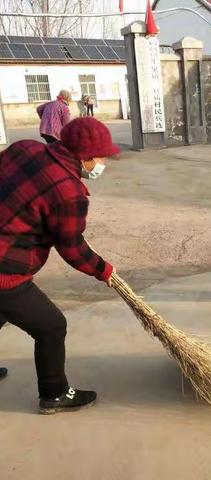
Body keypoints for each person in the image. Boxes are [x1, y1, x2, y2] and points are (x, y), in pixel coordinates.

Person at [0, 117, 119, 414]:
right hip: (5, 269)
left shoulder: (25, 148)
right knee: (51, 326)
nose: (103, 162)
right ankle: (55, 393)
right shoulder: (69, 192)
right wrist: (104, 270)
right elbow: (73, 249)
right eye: (102, 156)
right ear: (86, 157)